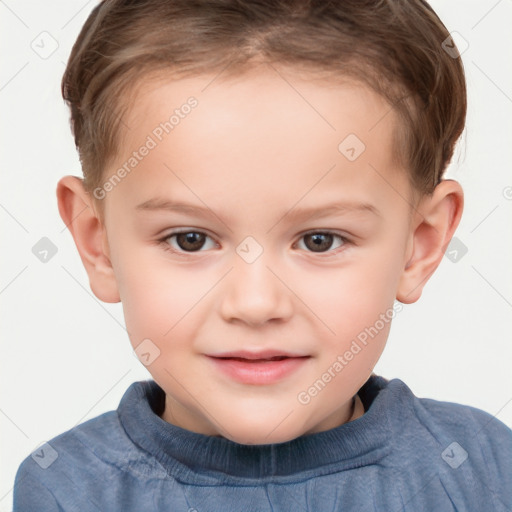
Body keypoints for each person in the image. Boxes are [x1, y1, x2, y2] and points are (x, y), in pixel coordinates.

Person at [13, 0, 512, 510]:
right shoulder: (67, 490)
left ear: (420, 246)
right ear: (98, 243)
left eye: (320, 240)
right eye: (190, 239)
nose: (254, 304)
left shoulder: (484, 470)